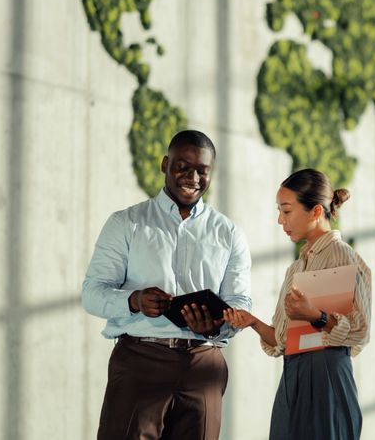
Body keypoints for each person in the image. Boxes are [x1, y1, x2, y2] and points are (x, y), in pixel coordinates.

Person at [81, 129, 252, 440]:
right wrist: (134, 301)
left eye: (202, 170)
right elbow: (92, 294)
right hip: (140, 361)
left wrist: (216, 324)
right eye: (182, 166)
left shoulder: (229, 233)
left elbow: (241, 302)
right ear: (164, 163)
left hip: (205, 365)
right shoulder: (126, 223)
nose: (193, 177)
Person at [224, 168, 371, 440]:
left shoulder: (344, 256)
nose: (280, 220)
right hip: (293, 378)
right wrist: (252, 322)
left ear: (316, 212)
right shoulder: (295, 269)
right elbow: (282, 341)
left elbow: (361, 332)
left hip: (327, 380)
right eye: (279, 211)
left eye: (287, 211)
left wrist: (315, 315)